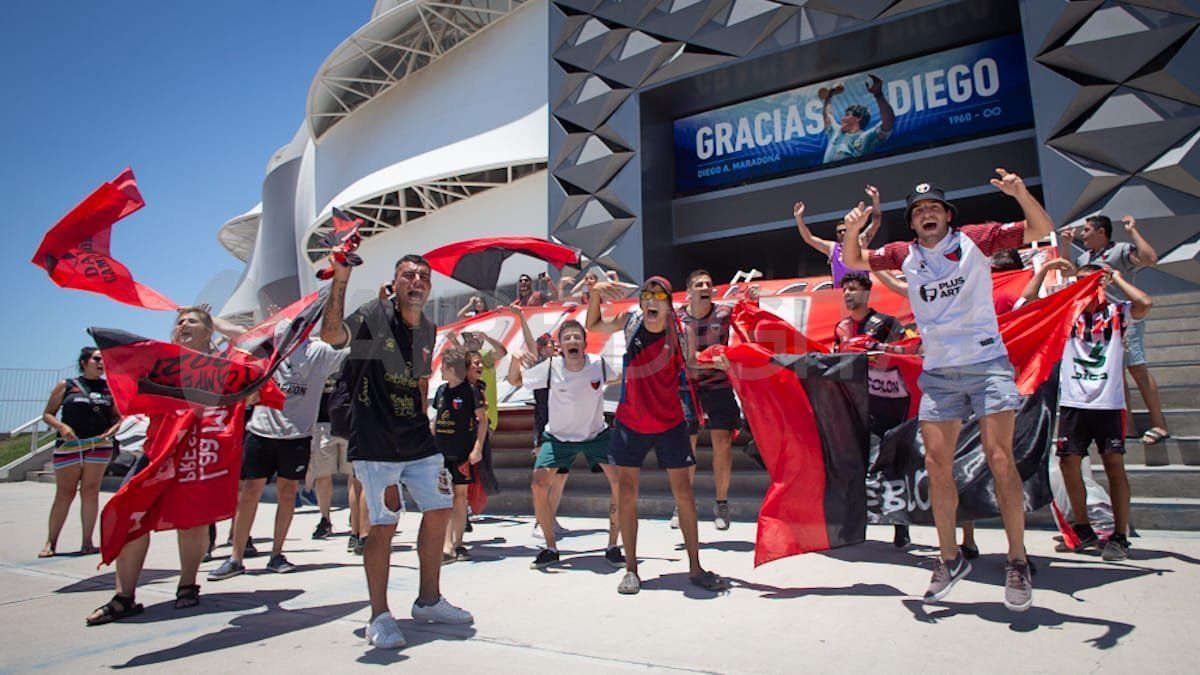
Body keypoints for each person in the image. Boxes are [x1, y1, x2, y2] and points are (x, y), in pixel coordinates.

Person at [841, 172, 1054, 612]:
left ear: (948, 215)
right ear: (913, 223)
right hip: (939, 372)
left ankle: (1017, 560)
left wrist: (1020, 194)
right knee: (937, 464)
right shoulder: (904, 254)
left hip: (986, 364)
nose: (927, 214)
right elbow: (854, 262)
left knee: (999, 459)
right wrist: (854, 232)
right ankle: (949, 558)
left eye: (934, 207)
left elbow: (1041, 229)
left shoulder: (976, 239)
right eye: (919, 211)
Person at [320, 253, 472, 650]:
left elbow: (420, 382)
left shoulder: (429, 328)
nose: (416, 281)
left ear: (429, 287)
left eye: (423, 276)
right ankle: (380, 616)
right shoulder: (374, 314)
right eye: (408, 275)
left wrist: (424, 422)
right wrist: (341, 279)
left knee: (440, 509)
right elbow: (331, 336)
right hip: (376, 441)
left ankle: (428, 600)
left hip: (417, 439)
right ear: (396, 281)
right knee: (383, 525)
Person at [86, 306, 247, 625]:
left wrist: (213, 321)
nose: (183, 324)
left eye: (192, 322)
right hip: (157, 453)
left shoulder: (221, 366)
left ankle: (188, 585)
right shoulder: (159, 362)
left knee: (192, 522)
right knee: (131, 513)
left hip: (196, 452)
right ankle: (124, 597)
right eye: (179, 322)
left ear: (208, 332)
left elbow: (247, 340)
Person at [586, 277, 728, 595]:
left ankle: (695, 567)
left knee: (685, 496)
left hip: (669, 421)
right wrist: (595, 294)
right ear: (641, 303)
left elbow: (692, 362)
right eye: (646, 296)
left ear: (667, 303)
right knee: (625, 495)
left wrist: (715, 361)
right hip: (630, 421)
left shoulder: (681, 331)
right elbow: (593, 324)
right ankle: (631, 570)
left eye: (658, 296)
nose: (651, 300)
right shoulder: (629, 322)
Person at [208, 332, 347, 580]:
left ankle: (276, 553)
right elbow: (240, 335)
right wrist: (208, 323)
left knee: (287, 494)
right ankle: (235, 557)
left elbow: (351, 352)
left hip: (296, 436)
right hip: (261, 432)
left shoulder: (320, 349)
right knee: (249, 493)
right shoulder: (271, 344)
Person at [1041, 264, 1150, 561]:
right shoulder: (1066, 314)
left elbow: (1145, 303)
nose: (1085, 287)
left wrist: (1115, 278)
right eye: (1079, 283)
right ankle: (1083, 528)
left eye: (1090, 282)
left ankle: (1119, 535)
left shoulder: (1116, 313)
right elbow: (1028, 300)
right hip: (1074, 402)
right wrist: (1048, 268)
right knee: (1067, 463)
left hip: (1108, 402)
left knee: (1114, 466)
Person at [510, 319, 624, 568]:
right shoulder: (551, 367)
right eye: (567, 337)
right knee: (539, 485)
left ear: (584, 342)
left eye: (577, 337)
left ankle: (613, 545)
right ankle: (550, 548)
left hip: (596, 435)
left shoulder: (598, 364)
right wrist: (515, 360)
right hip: (558, 438)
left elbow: (620, 377)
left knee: (620, 483)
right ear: (560, 345)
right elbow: (515, 381)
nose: (572, 341)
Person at [1062, 215, 1166, 446]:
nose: (1083, 235)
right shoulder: (1085, 257)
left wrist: (1132, 232)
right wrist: (1066, 245)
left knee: (1137, 369)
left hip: (1126, 317)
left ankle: (1159, 424)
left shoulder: (1120, 250)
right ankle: (1127, 427)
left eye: (1087, 230)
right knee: (1116, 375)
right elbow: (1067, 273)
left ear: (1101, 232)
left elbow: (1149, 258)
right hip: (1101, 323)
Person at [40, 347, 121, 558]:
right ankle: (51, 542)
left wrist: (114, 429)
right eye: (96, 359)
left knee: (91, 492)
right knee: (64, 494)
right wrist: (62, 427)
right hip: (70, 446)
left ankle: (87, 542)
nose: (101, 363)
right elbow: (48, 414)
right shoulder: (67, 386)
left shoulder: (108, 389)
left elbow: (116, 417)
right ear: (84, 362)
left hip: (98, 445)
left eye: (104, 360)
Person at [679, 269, 742, 531]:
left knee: (722, 443)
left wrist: (754, 301)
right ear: (689, 292)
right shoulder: (677, 318)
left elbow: (752, 325)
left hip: (718, 385)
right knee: (685, 447)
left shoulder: (725, 313)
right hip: (688, 388)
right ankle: (681, 504)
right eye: (699, 284)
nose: (705, 287)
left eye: (709, 283)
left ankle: (721, 503)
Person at [433, 348, 487, 563]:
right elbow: (436, 419)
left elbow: (482, 421)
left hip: (462, 452)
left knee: (460, 498)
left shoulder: (470, 391)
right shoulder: (440, 391)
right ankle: (446, 544)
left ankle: (457, 542)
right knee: (444, 497)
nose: (440, 371)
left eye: (443, 367)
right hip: (441, 452)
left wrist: (478, 447)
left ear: (451, 368)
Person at [307, 373, 367, 544]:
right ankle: (325, 518)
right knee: (322, 474)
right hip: (323, 421)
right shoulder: (320, 354)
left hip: (350, 420)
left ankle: (355, 519)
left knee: (353, 476)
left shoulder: (353, 355)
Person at [793, 186, 883, 287]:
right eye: (840, 231)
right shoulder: (832, 248)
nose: (843, 233)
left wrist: (876, 200)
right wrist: (798, 218)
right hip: (841, 295)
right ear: (836, 234)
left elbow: (876, 223)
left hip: (862, 292)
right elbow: (808, 238)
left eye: (845, 230)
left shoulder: (861, 242)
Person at [819, 74, 895, 163]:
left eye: (847, 115)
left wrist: (878, 94)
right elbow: (828, 115)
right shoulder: (836, 131)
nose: (842, 119)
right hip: (826, 175)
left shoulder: (866, 137)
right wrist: (830, 95)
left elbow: (888, 123)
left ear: (858, 118)